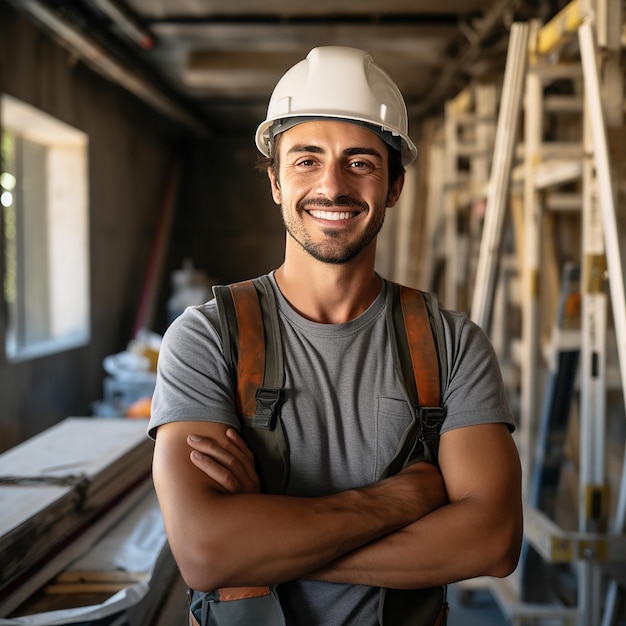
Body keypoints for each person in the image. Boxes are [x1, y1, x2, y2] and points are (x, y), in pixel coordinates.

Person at [149, 46, 523, 626]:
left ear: (394, 185)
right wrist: (403, 499)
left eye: (360, 162)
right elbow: (205, 552)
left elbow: (493, 542)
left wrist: (267, 539)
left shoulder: (451, 344)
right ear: (274, 181)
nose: (332, 185)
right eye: (306, 160)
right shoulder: (206, 339)